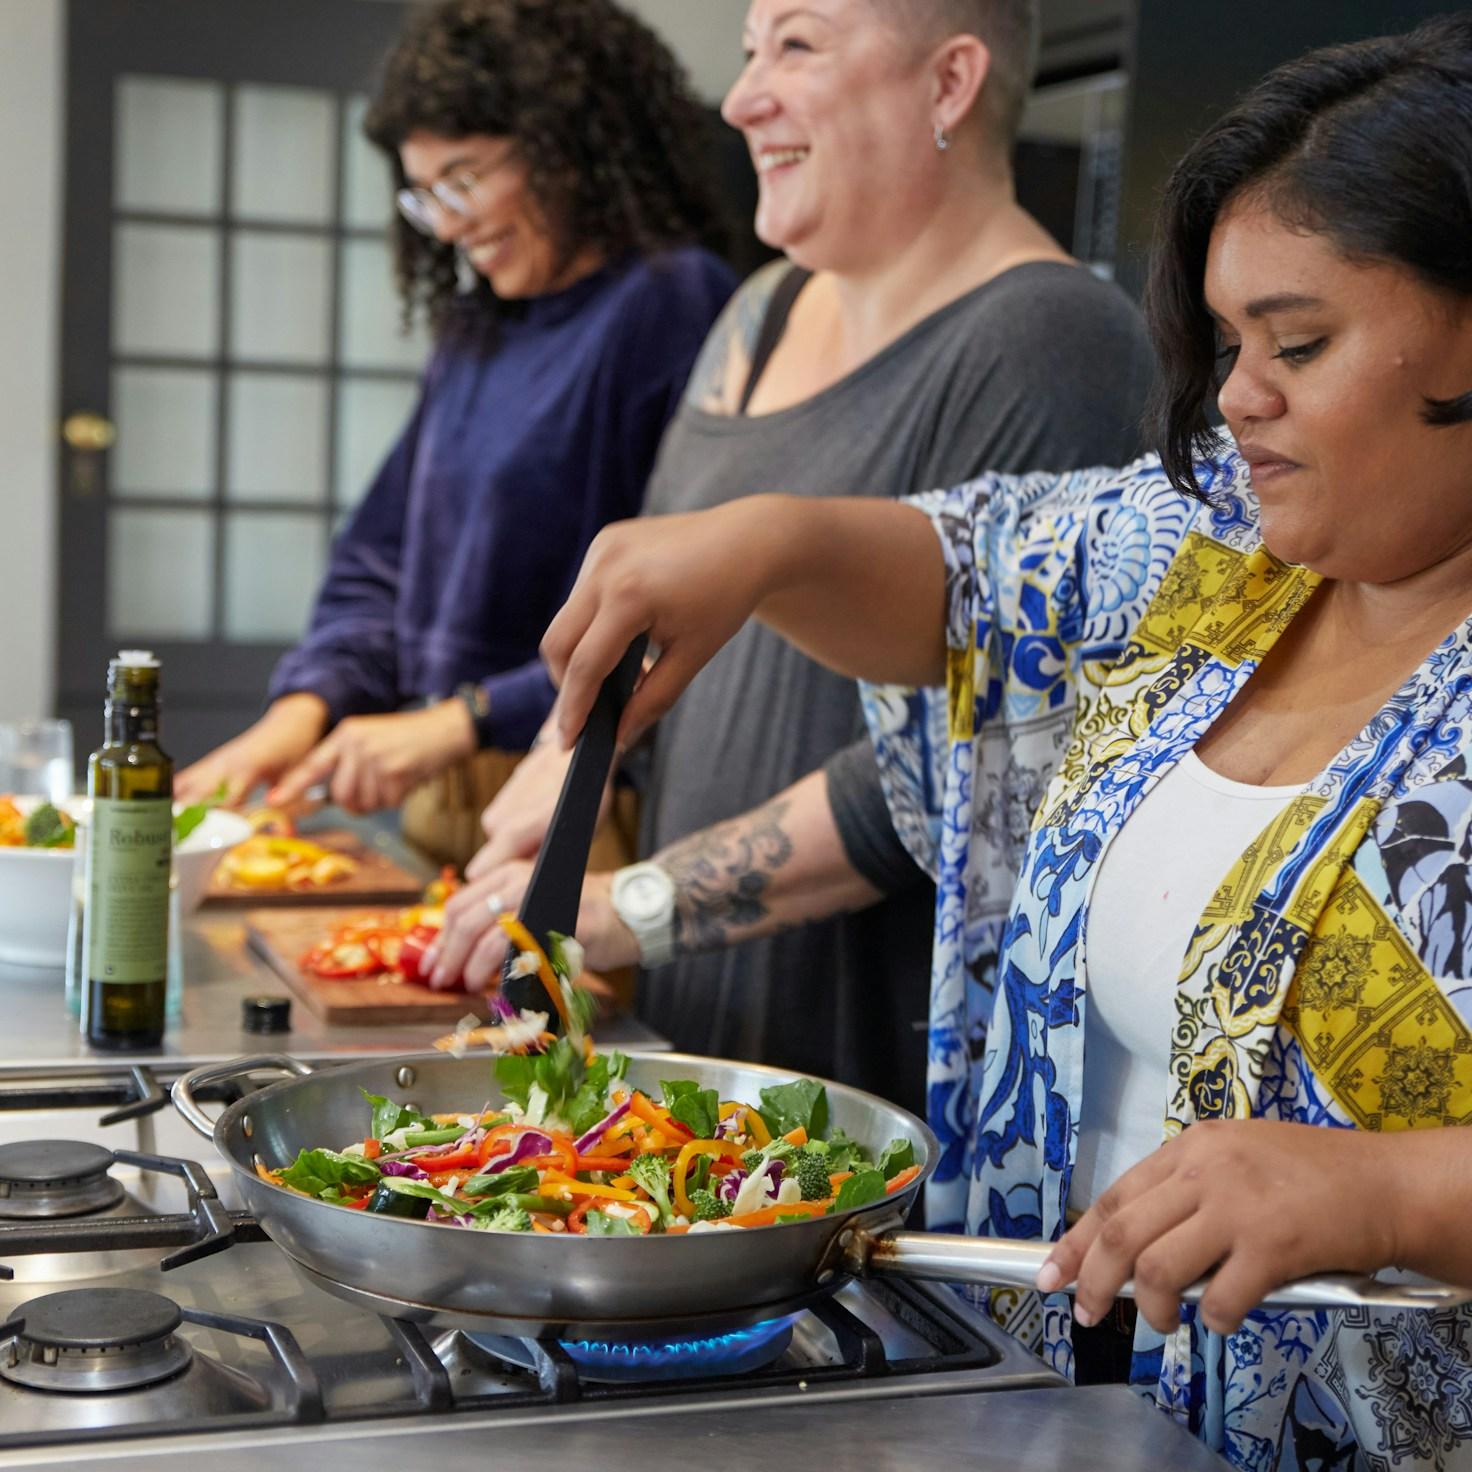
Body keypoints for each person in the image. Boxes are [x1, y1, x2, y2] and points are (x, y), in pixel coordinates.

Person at [534, 16, 1472, 1468]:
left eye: (1300, 342)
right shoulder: (1222, 537)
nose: (1238, 395)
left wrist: (1396, 1192)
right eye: (1229, 345)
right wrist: (765, 540)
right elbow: (978, 580)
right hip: (1064, 1407)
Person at [426, 0, 1155, 1117]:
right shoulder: (756, 313)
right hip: (704, 1024)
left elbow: (977, 744)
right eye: (748, 51)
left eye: (797, 46)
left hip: (868, 1072)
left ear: (948, 83)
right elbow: (653, 612)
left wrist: (641, 900)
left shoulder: (1052, 341)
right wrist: (566, 770)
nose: (741, 98)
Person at [174, 0, 736, 868]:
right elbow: (381, 555)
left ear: (564, 145)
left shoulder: (667, 302)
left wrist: (464, 718)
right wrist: (303, 711)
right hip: (444, 798)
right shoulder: (477, 330)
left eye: (465, 180)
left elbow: (678, 600)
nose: (445, 223)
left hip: (579, 794)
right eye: (424, 194)